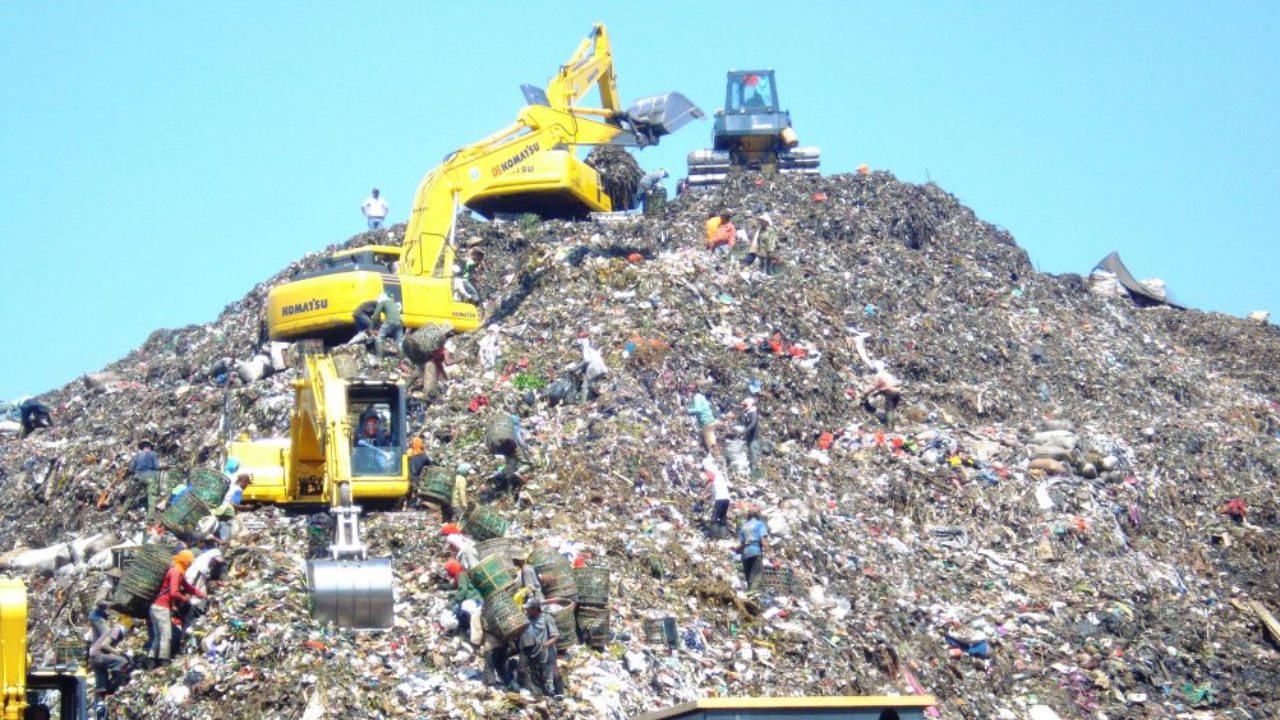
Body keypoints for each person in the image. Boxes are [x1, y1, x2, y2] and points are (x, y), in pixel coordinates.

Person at [147, 550, 204, 665]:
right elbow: (174, 592)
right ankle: (164, 661)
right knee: (166, 635)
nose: (190, 565)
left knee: (158, 635)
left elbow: (188, 587)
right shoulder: (176, 572)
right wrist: (185, 600)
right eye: (189, 563)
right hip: (161, 607)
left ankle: (151, 660)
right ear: (185, 562)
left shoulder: (177, 571)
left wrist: (202, 595)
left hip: (155, 607)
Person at [518, 597, 562, 698]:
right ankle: (544, 692)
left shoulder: (546, 618)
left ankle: (557, 694)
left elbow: (556, 635)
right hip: (535, 650)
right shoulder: (528, 618)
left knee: (550, 674)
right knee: (538, 673)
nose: (526, 610)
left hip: (547, 651)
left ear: (535, 609)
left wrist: (546, 644)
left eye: (528, 609)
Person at [89, 621, 131, 696]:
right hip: (98, 656)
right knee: (123, 661)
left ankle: (101, 700)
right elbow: (104, 645)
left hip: (93, 659)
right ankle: (120, 680)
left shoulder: (112, 631)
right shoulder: (116, 631)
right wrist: (118, 652)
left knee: (102, 688)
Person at [861, 360, 903, 431]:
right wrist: (877, 393)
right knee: (891, 410)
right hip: (897, 393)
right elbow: (887, 386)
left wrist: (865, 394)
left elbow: (873, 387)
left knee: (889, 410)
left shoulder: (878, 376)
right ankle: (892, 424)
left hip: (890, 393)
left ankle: (890, 428)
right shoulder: (887, 374)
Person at [738, 509, 769, 592]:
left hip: (745, 554)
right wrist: (770, 554)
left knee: (749, 579)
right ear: (756, 517)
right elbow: (763, 541)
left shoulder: (743, 527)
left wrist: (736, 550)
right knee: (757, 576)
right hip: (755, 552)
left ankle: (748, 596)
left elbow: (741, 544)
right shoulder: (759, 524)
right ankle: (751, 596)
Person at [572, 336, 608, 403]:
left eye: (577, 347)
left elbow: (586, 360)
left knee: (586, 384)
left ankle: (583, 402)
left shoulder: (586, 350)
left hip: (597, 369)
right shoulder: (591, 350)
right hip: (601, 370)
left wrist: (575, 369)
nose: (577, 349)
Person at [702, 456, 731, 539]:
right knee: (722, 519)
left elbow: (711, 482)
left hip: (719, 499)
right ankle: (723, 539)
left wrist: (702, 495)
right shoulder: (718, 473)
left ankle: (715, 539)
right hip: (726, 499)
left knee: (714, 519)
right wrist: (708, 496)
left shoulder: (710, 471)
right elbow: (717, 487)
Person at [686, 387, 719, 453]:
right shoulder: (701, 396)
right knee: (702, 445)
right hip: (708, 422)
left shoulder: (697, 397)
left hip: (706, 423)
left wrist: (687, 411)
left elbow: (698, 410)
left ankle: (718, 459)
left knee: (711, 445)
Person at [371, 292, 403, 359]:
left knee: (379, 339)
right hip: (399, 322)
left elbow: (375, 316)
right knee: (399, 341)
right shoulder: (392, 302)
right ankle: (402, 358)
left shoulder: (382, 302)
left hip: (390, 321)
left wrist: (374, 327)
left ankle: (379, 358)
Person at [739, 397, 761, 476]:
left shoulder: (753, 412)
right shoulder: (747, 413)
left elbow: (752, 424)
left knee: (753, 457)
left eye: (745, 405)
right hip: (748, 438)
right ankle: (751, 473)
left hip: (753, 439)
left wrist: (743, 432)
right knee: (749, 455)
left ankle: (755, 476)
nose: (743, 407)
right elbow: (743, 422)